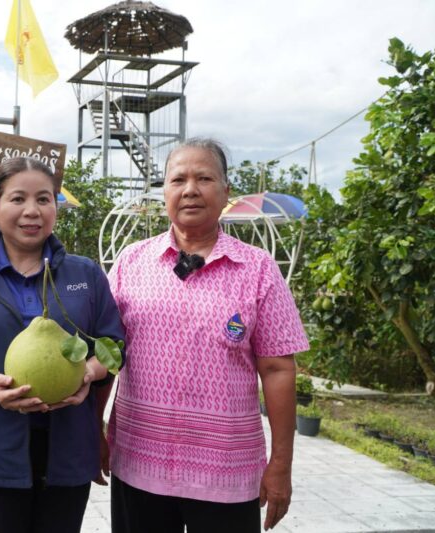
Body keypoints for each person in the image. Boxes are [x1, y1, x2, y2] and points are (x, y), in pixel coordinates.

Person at [105, 138, 309, 533]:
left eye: (204, 178)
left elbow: (278, 368)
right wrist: (93, 429)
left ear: (226, 191)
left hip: (227, 475)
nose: (190, 189)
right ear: (164, 191)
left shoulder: (258, 270)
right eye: (178, 179)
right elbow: (107, 353)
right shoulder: (131, 261)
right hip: (138, 462)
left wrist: (281, 464)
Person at [0, 157, 126, 533]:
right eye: (18, 199)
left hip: (68, 447)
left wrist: (89, 372)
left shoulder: (84, 274)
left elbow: (113, 343)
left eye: (44, 199)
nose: (32, 211)